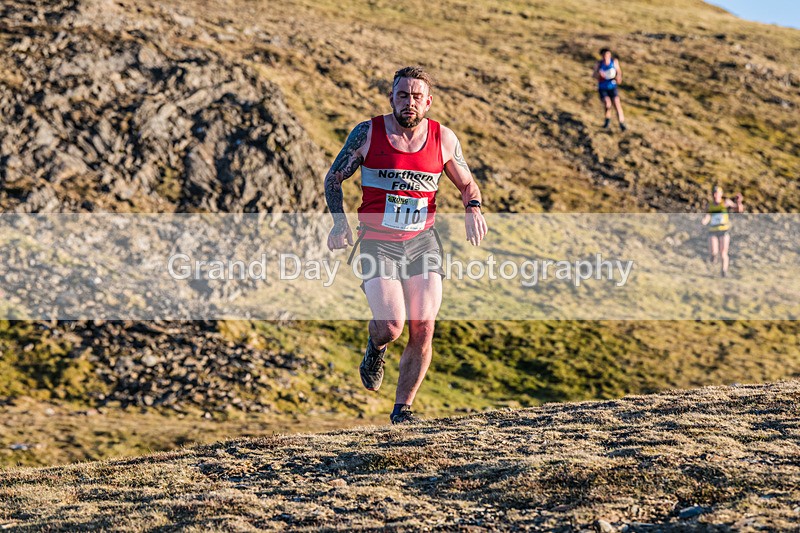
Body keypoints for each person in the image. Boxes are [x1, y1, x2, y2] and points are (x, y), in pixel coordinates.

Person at [324, 66, 488, 424]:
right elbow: (334, 177)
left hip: (421, 242)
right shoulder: (367, 133)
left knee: (424, 325)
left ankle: (402, 411)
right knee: (391, 325)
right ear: (392, 98)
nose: (409, 102)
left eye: (416, 96)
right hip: (377, 243)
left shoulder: (443, 138)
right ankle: (375, 347)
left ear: (427, 102)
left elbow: (468, 184)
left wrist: (472, 208)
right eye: (402, 95)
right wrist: (339, 222)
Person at [701, 185, 744, 277]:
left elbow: (738, 210)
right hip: (713, 230)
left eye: (717, 193)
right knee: (713, 252)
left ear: (721, 194)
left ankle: (724, 271)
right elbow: (708, 215)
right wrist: (704, 221)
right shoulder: (710, 205)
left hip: (723, 230)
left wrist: (739, 202)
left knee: (723, 252)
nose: (715, 195)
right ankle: (712, 265)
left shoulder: (726, 203)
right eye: (714, 193)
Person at [592, 48, 626, 131]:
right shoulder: (599, 64)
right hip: (603, 88)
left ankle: (622, 123)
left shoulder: (614, 62)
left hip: (612, 87)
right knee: (607, 104)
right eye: (604, 55)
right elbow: (594, 75)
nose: (606, 57)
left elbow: (619, 72)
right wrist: (599, 75)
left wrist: (618, 78)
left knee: (617, 104)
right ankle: (607, 121)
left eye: (608, 55)